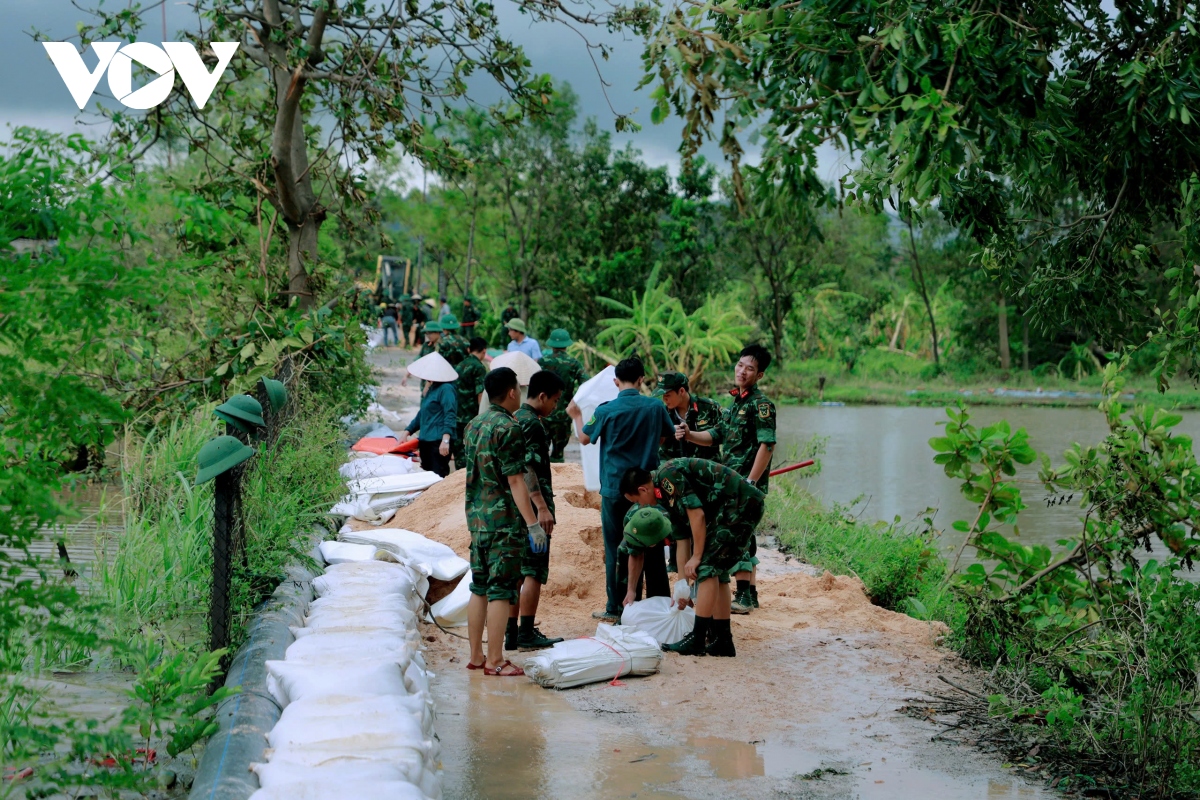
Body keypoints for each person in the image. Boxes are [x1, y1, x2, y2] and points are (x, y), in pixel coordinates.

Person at [566, 356, 675, 622]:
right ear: (641, 380)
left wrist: (577, 415)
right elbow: (666, 435)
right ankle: (659, 603)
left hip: (615, 489)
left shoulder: (606, 410)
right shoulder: (655, 407)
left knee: (617, 547)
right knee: (652, 540)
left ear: (616, 381)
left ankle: (618, 606)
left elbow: (584, 438)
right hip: (647, 488)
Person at [620, 460, 764, 656]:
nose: (640, 505)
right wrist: (682, 589)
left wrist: (696, 557)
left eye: (636, 501)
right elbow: (682, 539)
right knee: (717, 572)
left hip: (740, 503)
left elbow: (697, 516)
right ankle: (723, 641)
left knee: (706, 567)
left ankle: (697, 639)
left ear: (643, 489)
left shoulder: (667, 476)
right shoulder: (661, 495)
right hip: (726, 509)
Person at [678, 344, 777, 614]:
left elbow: (766, 446)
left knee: (735, 536)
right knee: (742, 535)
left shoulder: (762, 405)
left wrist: (751, 482)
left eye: (750, 368)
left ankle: (744, 596)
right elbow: (716, 434)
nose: (742, 371)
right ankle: (750, 594)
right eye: (740, 365)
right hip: (728, 482)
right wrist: (689, 434)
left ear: (760, 375)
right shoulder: (736, 404)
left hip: (743, 484)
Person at [463, 367, 545, 676]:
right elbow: (515, 481)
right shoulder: (509, 427)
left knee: (479, 586)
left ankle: (476, 656)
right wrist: (533, 523)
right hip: (503, 523)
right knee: (501, 590)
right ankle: (495, 661)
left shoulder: (473, 425)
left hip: (477, 519)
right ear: (512, 392)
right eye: (519, 390)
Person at [506, 369, 567, 651]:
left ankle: (511, 633)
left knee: (519, 570)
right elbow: (528, 466)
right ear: (541, 396)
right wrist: (542, 507)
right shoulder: (532, 424)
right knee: (533, 569)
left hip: (517, 508)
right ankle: (526, 633)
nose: (555, 406)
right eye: (554, 400)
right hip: (532, 509)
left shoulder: (515, 418)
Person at [400, 352, 459, 477]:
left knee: (437, 477)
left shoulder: (446, 389)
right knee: (426, 476)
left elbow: (450, 414)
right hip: (426, 441)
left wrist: (446, 440)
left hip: (438, 442)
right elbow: (423, 413)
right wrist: (407, 431)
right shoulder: (433, 388)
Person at [538, 329, 589, 463]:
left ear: (551, 344)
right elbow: (586, 383)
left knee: (541, 449)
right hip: (564, 414)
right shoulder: (574, 363)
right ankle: (558, 480)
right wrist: (574, 399)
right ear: (567, 345)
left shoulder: (542, 362)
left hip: (543, 412)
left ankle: (542, 480)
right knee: (558, 452)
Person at [452, 337, 489, 470]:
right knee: (471, 451)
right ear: (484, 351)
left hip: (457, 414)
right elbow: (480, 393)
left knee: (459, 452)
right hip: (471, 416)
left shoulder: (460, 365)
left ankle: (457, 480)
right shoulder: (479, 367)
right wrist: (482, 416)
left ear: (469, 349)